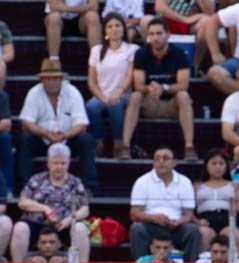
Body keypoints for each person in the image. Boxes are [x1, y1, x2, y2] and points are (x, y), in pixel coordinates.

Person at [120, 18, 195, 161]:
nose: (155, 38)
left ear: (168, 35)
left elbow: (184, 84)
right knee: (135, 96)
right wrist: (150, 88)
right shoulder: (141, 54)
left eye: (159, 33)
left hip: (171, 104)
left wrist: (165, 88)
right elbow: (138, 85)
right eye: (152, 34)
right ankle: (125, 147)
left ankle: (189, 147)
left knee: (184, 95)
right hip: (150, 102)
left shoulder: (179, 54)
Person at [17, 59, 97, 192]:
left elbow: (82, 124)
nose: (51, 82)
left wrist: (66, 134)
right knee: (24, 138)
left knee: (86, 139)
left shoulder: (72, 92)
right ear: (42, 80)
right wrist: (45, 134)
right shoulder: (34, 92)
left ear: (61, 79)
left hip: (67, 139)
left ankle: (89, 186)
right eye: (48, 79)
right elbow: (26, 122)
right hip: (42, 139)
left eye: (55, 78)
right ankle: (24, 186)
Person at [10, 143, 90, 263]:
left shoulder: (75, 182)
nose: (59, 167)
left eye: (63, 163)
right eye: (56, 163)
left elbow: (85, 209)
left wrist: (69, 219)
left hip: (63, 226)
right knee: (20, 227)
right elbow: (22, 202)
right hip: (37, 225)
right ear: (48, 164)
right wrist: (44, 208)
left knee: (80, 228)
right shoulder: (37, 179)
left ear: (68, 164)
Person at [129, 146, 200, 261]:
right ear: (153, 163)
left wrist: (178, 221)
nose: (161, 162)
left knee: (193, 230)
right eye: (157, 159)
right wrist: (153, 218)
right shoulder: (142, 182)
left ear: (174, 163)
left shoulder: (185, 182)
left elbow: (188, 214)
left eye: (165, 158)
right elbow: (134, 214)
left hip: (176, 227)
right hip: (151, 226)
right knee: (136, 228)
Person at [86, 13, 138, 158]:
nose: (114, 29)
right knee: (91, 106)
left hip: (123, 95)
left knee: (115, 104)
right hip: (101, 95)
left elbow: (129, 75)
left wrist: (118, 91)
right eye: (110, 26)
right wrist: (101, 96)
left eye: (117, 25)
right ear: (105, 31)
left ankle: (118, 143)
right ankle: (98, 142)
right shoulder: (96, 50)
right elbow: (91, 80)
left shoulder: (132, 49)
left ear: (123, 29)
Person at [195, 148, 239, 258]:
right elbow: (190, 210)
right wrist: (198, 221)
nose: (218, 167)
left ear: (226, 166)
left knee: (232, 233)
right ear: (207, 166)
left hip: (228, 219)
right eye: (214, 163)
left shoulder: (233, 185)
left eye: (221, 163)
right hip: (205, 220)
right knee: (205, 234)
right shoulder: (198, 185)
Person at [155, 0, 214, 71]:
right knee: (146, 21)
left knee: (207, 22)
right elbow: (159, 7)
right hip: (166, 20)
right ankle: (152, 62)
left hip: (189, 23)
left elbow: (210, 13)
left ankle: (195, 67)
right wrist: (185, 19)